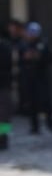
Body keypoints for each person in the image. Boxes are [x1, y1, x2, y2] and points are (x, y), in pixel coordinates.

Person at [19, 22, 52, 135]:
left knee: (46, 103)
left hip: (41, 78)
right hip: (28, 79)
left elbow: (51, 58)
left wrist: (39, 57)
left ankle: (3, 136)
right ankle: (4, 136)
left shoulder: (43, 44)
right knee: (31, 104)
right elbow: (17, 62)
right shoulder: (22, 45)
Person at [0, 22, 14, 150]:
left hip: (3, 86)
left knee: (4, 116)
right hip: (5, 86)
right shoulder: (6, 46)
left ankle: (3, 138)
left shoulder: (4, 46)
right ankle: (3, 138)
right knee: (4, 116)